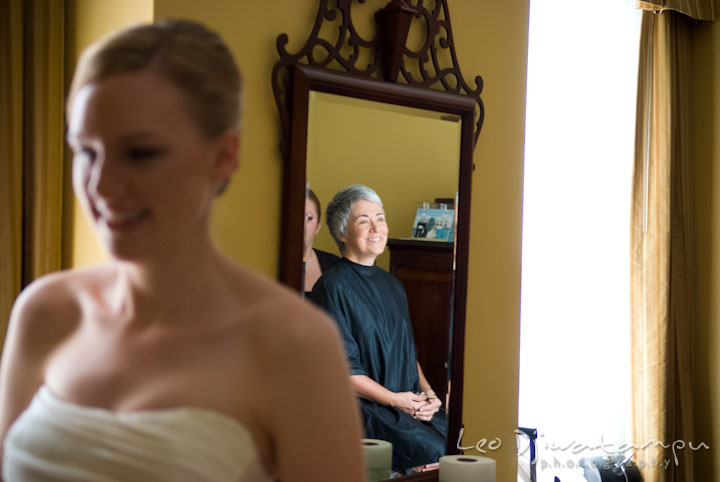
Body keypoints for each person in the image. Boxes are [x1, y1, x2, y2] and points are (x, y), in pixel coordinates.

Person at [0, 19, 364, 482]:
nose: (101, 185)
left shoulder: (294, 347)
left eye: (141, 153)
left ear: (223, 156)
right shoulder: (45, 313)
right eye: (86, 152)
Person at [308, 184, 446, 472]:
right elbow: (346, 373)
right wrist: (397, 401)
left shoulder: (393, 285)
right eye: (363, 220)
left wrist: (431, 396)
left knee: (462, 441)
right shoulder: (332, 287)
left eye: (380, 218)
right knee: (438, 456)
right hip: (368, 410)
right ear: (341, 233)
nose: (376, 227)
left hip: (408, 405)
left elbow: (407, 353)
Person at [303, 188, 339, 295]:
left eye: (309, 218)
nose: (302, 224)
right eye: (296, 215)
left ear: (318, 226)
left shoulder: (334, 266)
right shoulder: (268, 263)